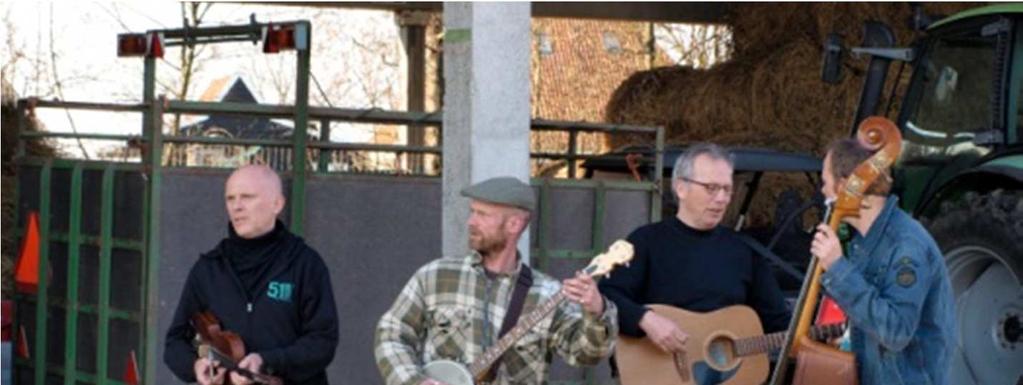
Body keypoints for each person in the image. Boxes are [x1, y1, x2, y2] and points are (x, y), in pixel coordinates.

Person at [374, 176, 618, 385]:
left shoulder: (547, 293)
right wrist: (413, 381)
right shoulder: (436, 275)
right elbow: (391, 332)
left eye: (482, 214)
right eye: (472, 211)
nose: (471, 221)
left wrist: (596, 311)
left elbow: (586, 355)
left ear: (513, 224)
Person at [599, 143, 790, 354]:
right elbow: (607, 296)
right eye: (711, 188)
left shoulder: (745, 251)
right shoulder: (646, 241)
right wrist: (644, 318)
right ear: (681, 187)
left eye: (727, 189)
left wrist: (818, 339)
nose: (721, 199)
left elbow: (779, 322)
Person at [164, 164, 339, 385]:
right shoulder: (208, 268)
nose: (236, 207)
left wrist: (266, 361)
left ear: (277, 204)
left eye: (247, 197)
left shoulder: (305, 264)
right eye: (230, 198)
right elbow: (175, 341)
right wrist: (195, 366)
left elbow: (323, 342)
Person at [811, 138, 955, 385]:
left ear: (847, 186)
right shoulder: (865, 242)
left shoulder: (906, 246)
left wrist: (837, 267)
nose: (823, 191)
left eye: (825, 183)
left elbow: (896, 331)